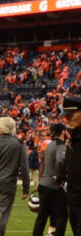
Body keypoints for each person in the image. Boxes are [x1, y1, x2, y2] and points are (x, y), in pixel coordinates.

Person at [33, 122, 68, 236]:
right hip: (53, 186)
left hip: (44, 183)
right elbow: (59, 161)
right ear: (63, 131)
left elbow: (43, 163)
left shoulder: (49, 144)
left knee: (42, 216)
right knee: (62, 215)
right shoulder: (60, 145)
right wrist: (60, 178)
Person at [63, 96, 81, 236]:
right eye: (65, 115)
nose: (67, 119)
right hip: (74, 200)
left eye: (71, 115)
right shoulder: (72, 140)